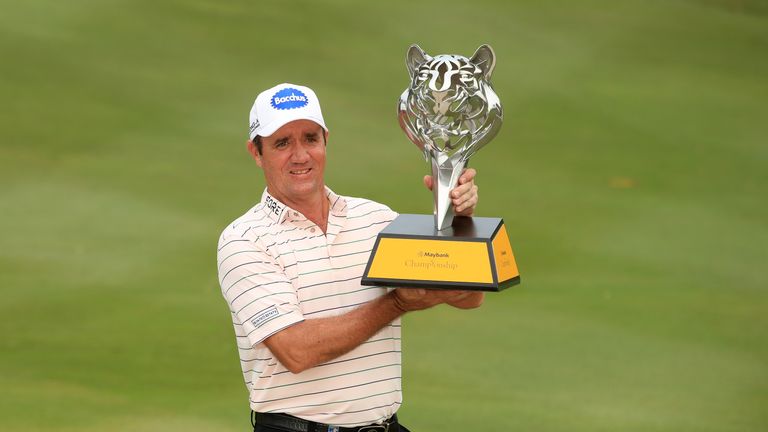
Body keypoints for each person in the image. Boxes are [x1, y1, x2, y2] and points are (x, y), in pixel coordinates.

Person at [217, 83, 484, 432]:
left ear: (325, 140)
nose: (300, 155)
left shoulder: (375, 219)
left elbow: (468, 297)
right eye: (282, 143)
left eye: (310, 138)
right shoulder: (244, 240)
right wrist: (397, 305)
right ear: (256, 152)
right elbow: (296, 351)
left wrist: (458, 218)